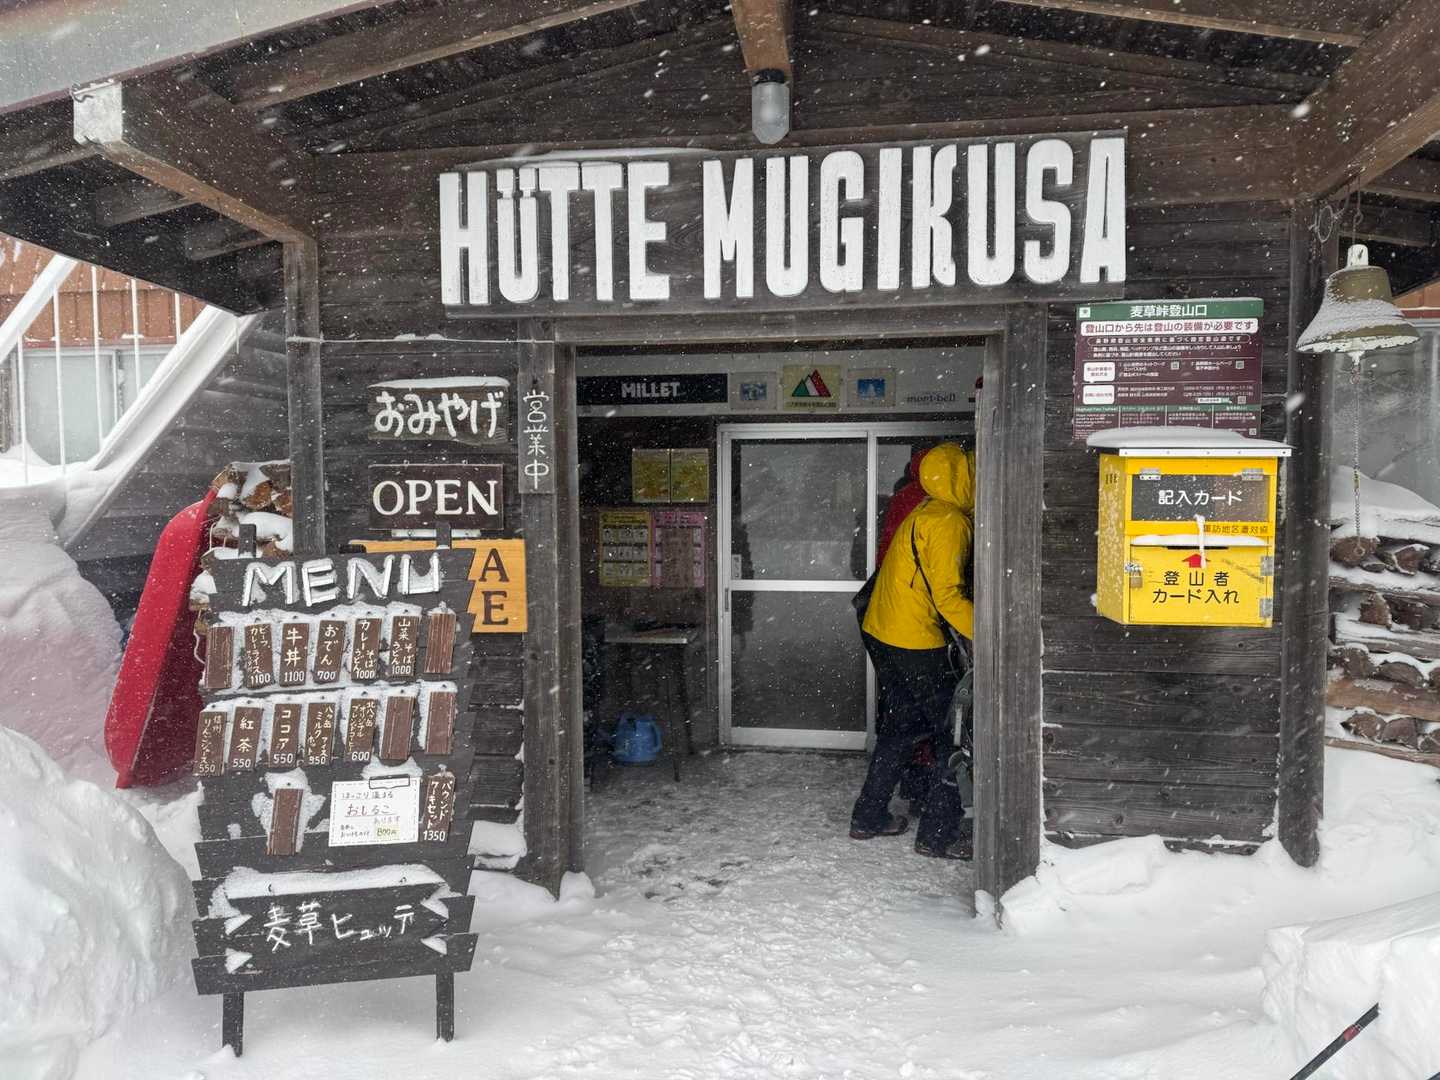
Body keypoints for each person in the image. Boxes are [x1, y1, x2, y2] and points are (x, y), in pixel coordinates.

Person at [849, 442, 975, 860]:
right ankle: (938, 836)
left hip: (886, 634)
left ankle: (868, 817)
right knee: (952, 736)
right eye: (972, 471)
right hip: (915, 641)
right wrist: (991, 636)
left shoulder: (924, 510)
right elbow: (948, 597)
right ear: (960, 477)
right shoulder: (948, 521)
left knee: (901, 729)